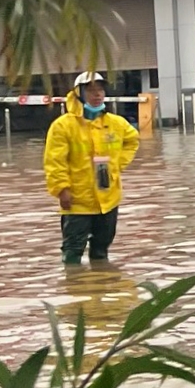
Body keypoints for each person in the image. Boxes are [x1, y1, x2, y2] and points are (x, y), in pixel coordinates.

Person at [43, 71, 142, 265]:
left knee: (101, 250)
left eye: (100, 90)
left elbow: (132, 141)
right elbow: (54, 161)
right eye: (91, 90)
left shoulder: (115, 123)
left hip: (108, 199)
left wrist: (117, 165)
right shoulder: (63, 126)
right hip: (77, 200)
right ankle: (75, 287)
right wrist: (62, 190)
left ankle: (101, 288)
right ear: (79, 93)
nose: (97, 95)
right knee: (73, 251)